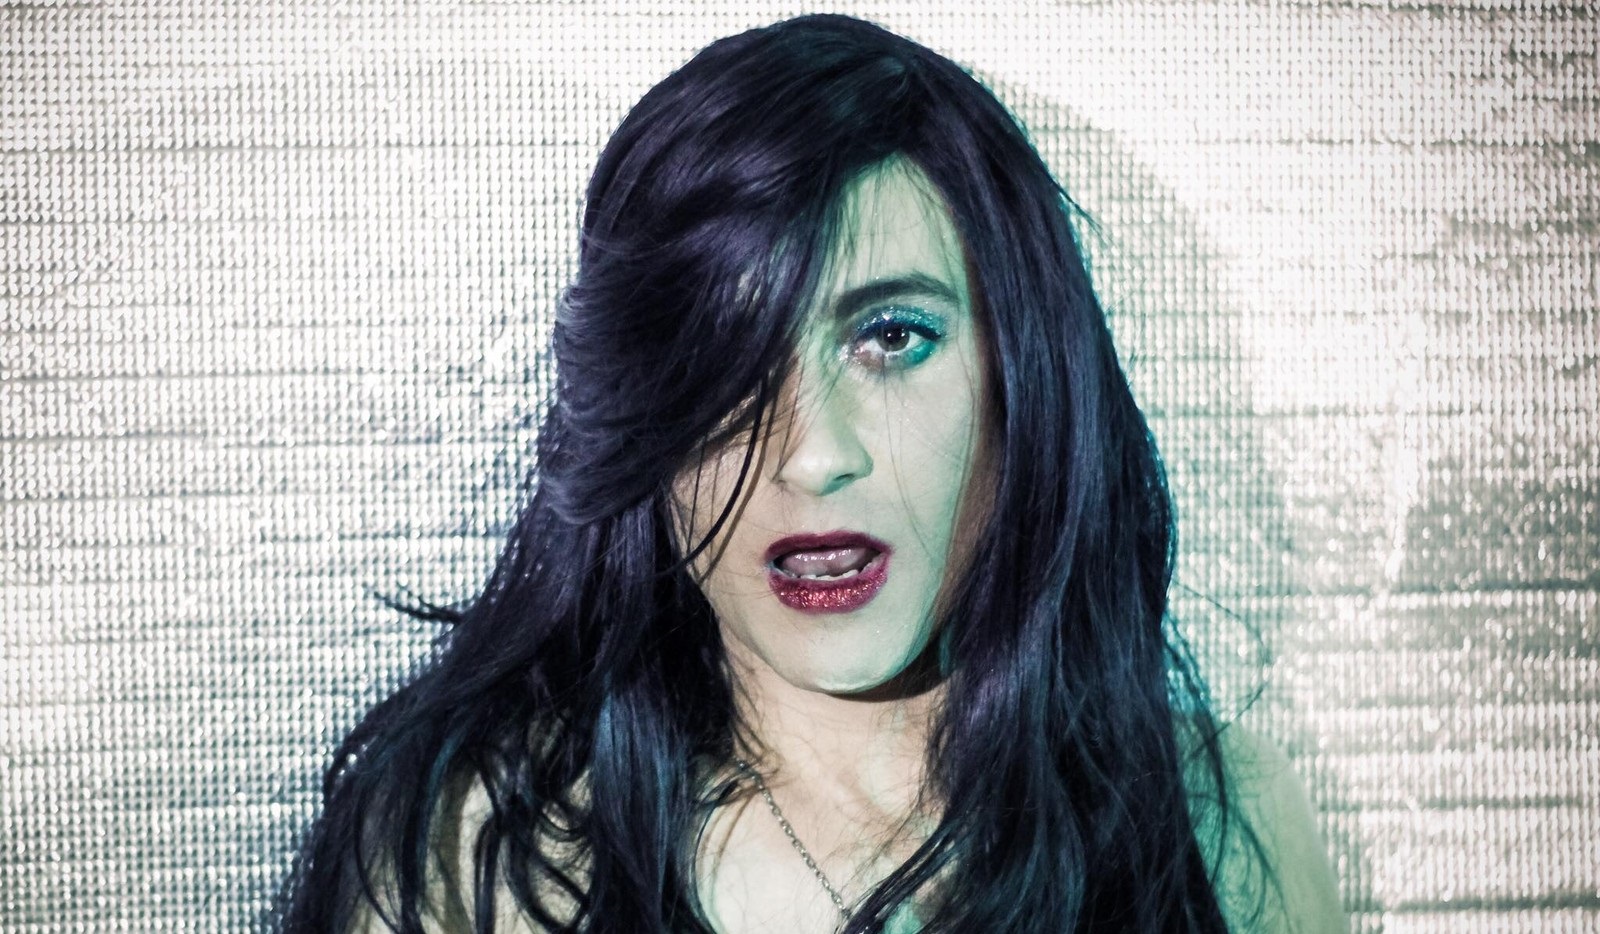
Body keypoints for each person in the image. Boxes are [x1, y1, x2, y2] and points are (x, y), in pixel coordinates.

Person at [280, 14, 1344, 933]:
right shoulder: (478, 852)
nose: (813, 453)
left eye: (891, 336)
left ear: (1020, 368)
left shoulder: (1221, 823)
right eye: (727, 355)